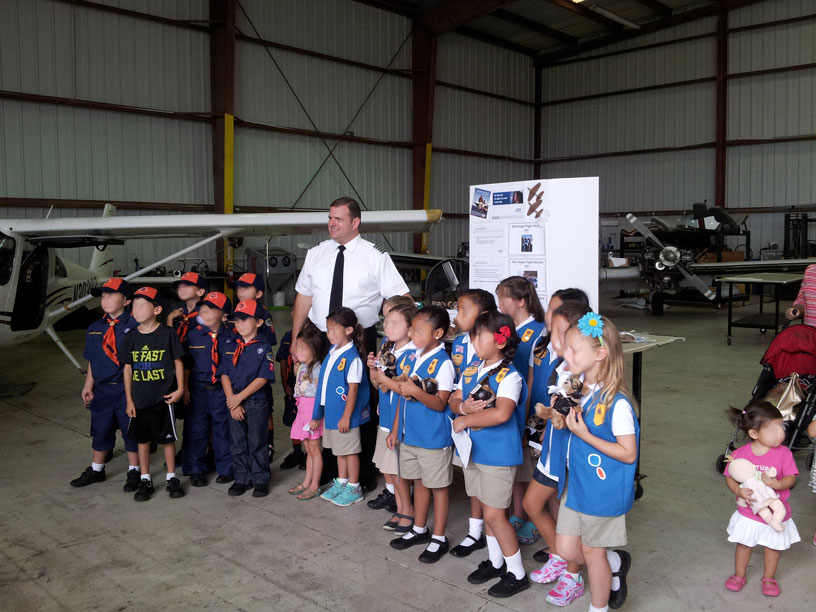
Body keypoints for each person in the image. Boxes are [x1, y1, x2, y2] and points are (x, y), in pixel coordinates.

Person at [291, 197, 410, 490]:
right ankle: (331, 471)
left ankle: (362, 473)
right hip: (320, 335)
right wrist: (295, 339)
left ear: (355, 223)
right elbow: (304, 298)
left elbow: (400, 299)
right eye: (330, 218)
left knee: (358, 404)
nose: (332, 223)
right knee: (320, 399)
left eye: (339, 219)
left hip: (359, 338)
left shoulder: (375, 256)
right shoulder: (316, 254)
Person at [555, 312, 638, 612]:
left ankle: (598, 608)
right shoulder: (578, 390)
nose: (567, 354)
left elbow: (628, 453)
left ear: (600, 353)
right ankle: (614, 560)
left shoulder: (617, 403)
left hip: (601, 491)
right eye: (567, 347)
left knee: (591, 552)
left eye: (575, 350)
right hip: (575, 485)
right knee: (566, 549)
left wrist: (584, 434)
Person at [450, 311, 530, 598]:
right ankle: (497, 562)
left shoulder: (510, 376)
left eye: (479, 334)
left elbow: (502, 413)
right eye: (472, 334)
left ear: (499, 341)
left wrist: (465, 420)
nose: (472, 339)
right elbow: (454, 398)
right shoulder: (472, 368)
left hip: (498, 456)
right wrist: (462, 409)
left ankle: (517, 573)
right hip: (475, 453)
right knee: (486, 508)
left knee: (496, 516)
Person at [525, 297, 592, 607]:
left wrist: (558, 416)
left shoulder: (588, 377)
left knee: (571, 522)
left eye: (557, 330)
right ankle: (561, 556)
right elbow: (553, 410)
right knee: (532, 504)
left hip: (573, 459)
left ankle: (573, 576)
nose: (551, 335)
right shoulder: (556, 366)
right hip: (552, 452)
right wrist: (546, 413)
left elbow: (578, 419)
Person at [389, 306, 455, 564]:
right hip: (411, 435)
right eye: (412, 329)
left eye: (419, 330)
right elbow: (402, 400)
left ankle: (438, 537)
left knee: (438, 487)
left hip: (432, 438)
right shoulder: (414, 357)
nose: (412, 334)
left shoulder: (444, 364)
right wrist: (396, 429)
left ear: (438, 333)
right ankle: (419, 528)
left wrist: (414, 391)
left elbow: (441, 403)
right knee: (418, 482)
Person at [724, 400, 800, 597]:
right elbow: (730, 478)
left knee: (772, 547)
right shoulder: (740, 454)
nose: (780, 434)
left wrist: (779, 484)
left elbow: (791, 477)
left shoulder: (784, 453)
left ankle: (769, 578)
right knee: (744, 545)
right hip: (749, 513)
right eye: (772, 430)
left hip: (775, 512)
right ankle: (739, 575)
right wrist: (738, 492)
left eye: (781, 427)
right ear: (754, 434)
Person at [70, 278, 140, 491]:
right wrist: (88, 385)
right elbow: (93, 359)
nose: (106, 298)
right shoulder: (95, 327)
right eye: (103, 295)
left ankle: (135, 470)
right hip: (101, 389)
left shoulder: (135, 325)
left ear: (126, 301)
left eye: (111, 294)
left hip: (125, 389)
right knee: (100, 429)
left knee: (130, 431)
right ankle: (97, 469)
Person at [121, 286, 186, 502]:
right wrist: (129, 399)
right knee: (143, 440)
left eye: (141, 305)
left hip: (163, 398)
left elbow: (178, 361)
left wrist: (180, 389)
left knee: (167, 439)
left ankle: (170, 477)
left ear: (157, 309)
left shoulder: (167, 334)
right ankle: (145, 478)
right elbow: (128, 369)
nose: (136, 310)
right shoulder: (130, 336)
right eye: (133, 306)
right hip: (139, 399)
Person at [496, 276, 547, 544]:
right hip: (511, 406)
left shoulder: (537, 330)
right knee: (517, 465)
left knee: (535, 469)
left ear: (521, 301)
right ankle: (518, 513)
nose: (499, 301)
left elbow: (530, 376)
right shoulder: (505, 328)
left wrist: (529, 411)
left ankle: (536, 518)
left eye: (504, 296)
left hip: (531, 407)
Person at [448, 288, 497, 559]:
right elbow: (457, 386)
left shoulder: (492, 343)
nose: (458, 315)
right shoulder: (458, 343)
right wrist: (461, 408)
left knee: (491, 485)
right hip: (463, 424)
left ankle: (494, 537)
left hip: (487, 425)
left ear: (485, 316)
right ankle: (475, 530)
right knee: (472, 479)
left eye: (464, 310)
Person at [311, 307, 371, 507]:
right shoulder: (333, 351)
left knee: (350, 451)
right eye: (327, 330)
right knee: (339, 451)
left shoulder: (352, 357)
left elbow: (353, 390)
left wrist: (346, 417)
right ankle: (342, 482)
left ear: (349, 330)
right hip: (333, 413)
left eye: (334, 329)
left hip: (345, 416)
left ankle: (354, 487)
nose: (329, 334)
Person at [218, 299, 276, 498]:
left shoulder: (263, 347)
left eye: (245, 319)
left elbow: (263, 378)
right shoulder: (229, 344)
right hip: (233, 401)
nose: (240, 324)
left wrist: (239, 397)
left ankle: (260, 478)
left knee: (257, 440)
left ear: (258, 323)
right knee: (237, 441)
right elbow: (224, 372)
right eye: (237, 320)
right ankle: (242, 478)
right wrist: (231, 400)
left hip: (256, 402)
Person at [367, 301, 417, 533]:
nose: (388, 325)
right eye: (386, 320)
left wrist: (381, 376)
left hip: (401, 421)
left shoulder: (411, 356)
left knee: (399, 470)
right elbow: (378, 384)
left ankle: (407, 511)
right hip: (386, 418)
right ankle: (400, 507)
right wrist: (373, 369)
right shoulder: (388, 349)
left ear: (410, 329)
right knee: (389, 468)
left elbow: (403, 389)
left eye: (395, 322)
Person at [181, 291, 235, 487]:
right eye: (203, 307)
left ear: (223, 314)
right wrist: (185, 388)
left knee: (223, 430)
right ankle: (196, 469)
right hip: (198, 389)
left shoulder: (231, 336)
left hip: (222, 389)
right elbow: (186, 363)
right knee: (196, 430)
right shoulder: (193, 335)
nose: (205, 310)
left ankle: (226, 469)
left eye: (211, 308)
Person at [232, 272, 278, 463]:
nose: (240, 291)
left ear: (258, 293)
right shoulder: (236, 313)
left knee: (263, 408)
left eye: (246, 288)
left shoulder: (263, 317)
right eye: (239, 288)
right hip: (238, 371)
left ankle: (267, 443)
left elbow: (267, 344)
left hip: (257, 370)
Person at [286, 325, 327, 500]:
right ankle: (306, 482)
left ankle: (315, 485)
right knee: (308, 450)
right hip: (302, 412)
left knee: (315, 451)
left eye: (303, 347)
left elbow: (320, 395)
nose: (298, 350)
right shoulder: (301, 366)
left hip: (312, 414)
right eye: (297, 346)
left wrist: (317, 416)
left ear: (315, 350)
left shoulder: (317, 368)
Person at [277, 330, 306, 470]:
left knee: (308, 421)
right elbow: (283, 360)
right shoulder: (288, 335)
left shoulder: (313, 333)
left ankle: (309, 454)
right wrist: (285, 384)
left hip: (308, 382)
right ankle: (297, 452)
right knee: (293, 419)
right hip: (291, 381)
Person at [166, 272, 207, 342]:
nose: (181, 289)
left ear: (200, 292)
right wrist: (170, 318)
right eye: (179, 287)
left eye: (186, 286)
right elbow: (170, 342)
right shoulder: (178, 315)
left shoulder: (208, 314)